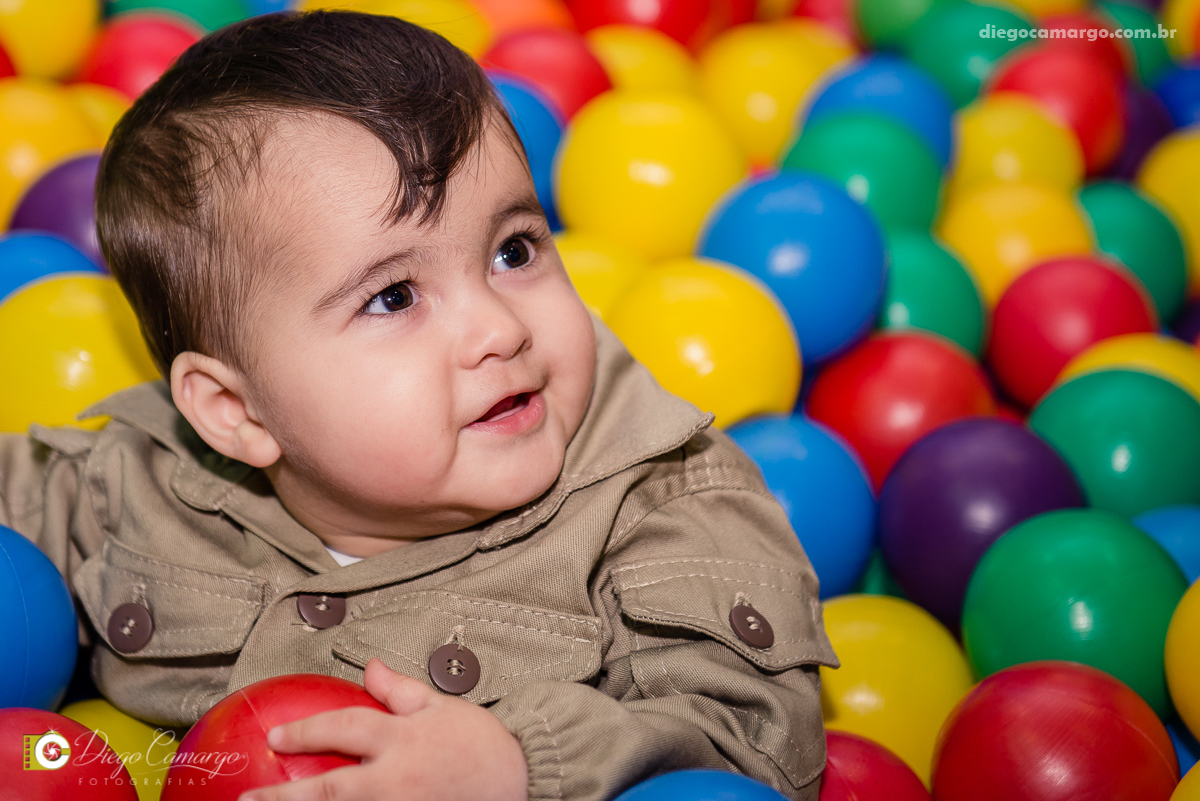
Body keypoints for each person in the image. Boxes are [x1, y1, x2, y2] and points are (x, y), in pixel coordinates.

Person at [0, 11, 836, 801]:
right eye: (395, 296)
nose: (500, 328)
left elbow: (756, 742)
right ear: (235, 412)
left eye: (514, 249)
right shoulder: (137, 486)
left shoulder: (663, 507)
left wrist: (519, 763)